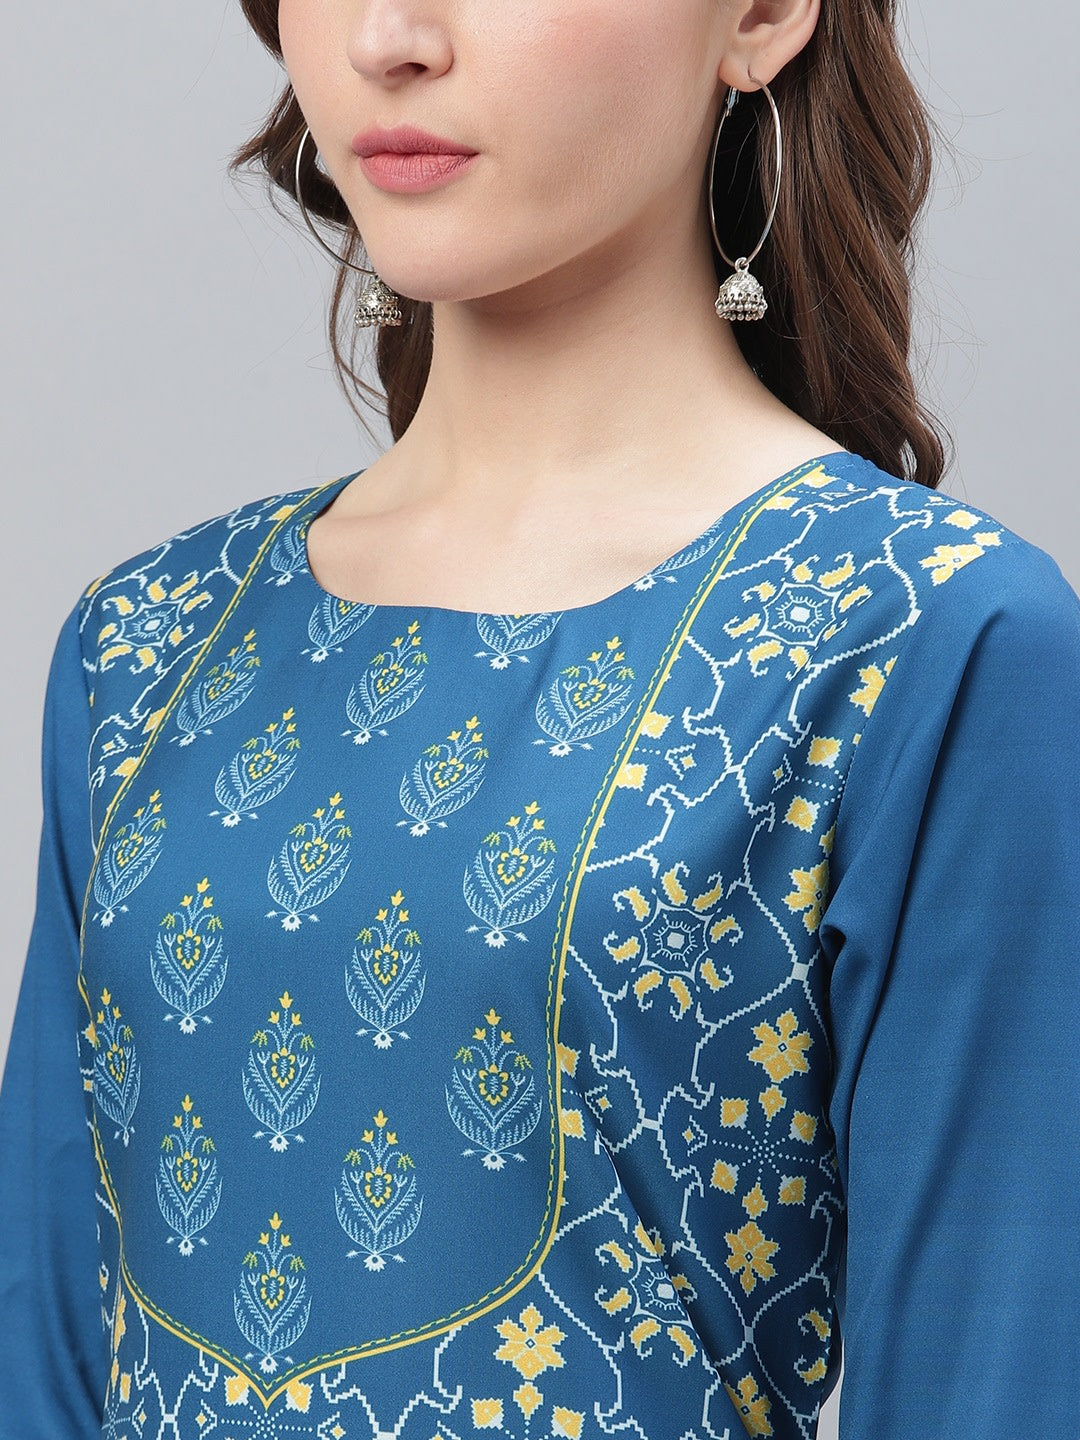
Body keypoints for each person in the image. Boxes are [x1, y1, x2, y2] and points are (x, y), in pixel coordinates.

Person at [1, 0, 1077, 1436]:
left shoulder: (914, 636)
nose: (388, 36)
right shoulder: (151, 645)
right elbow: (45, 1359)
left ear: (762, 15)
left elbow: (994, 1381)